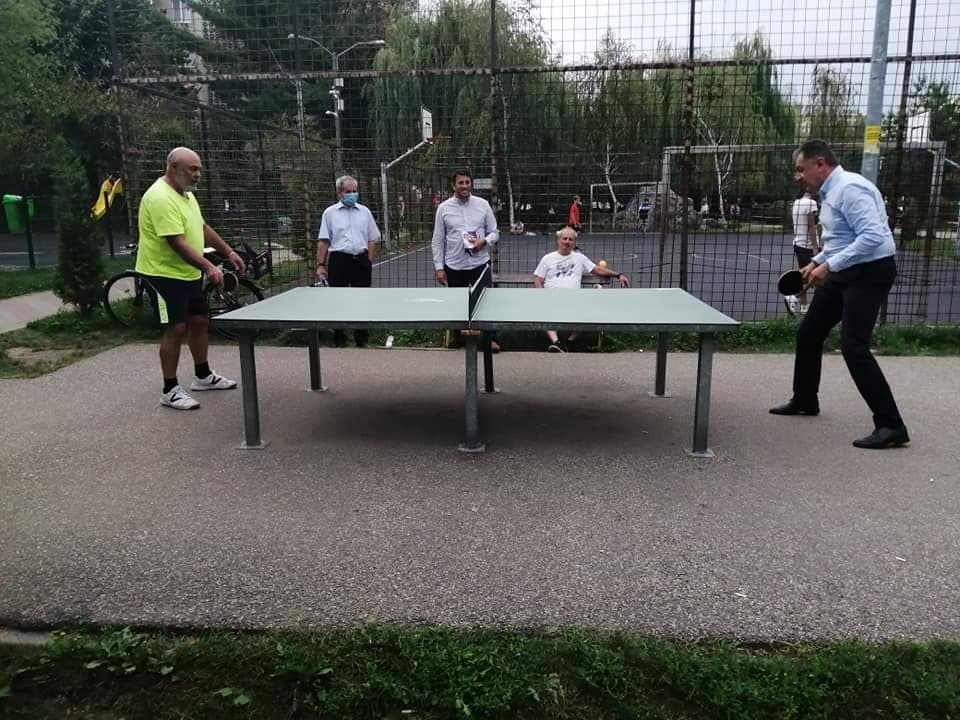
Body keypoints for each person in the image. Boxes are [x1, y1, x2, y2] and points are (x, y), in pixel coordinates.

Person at [769, 139, 909, 450]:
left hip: (870, 272)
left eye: (801, 169)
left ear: (820, 164)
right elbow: (841, 239)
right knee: (809, 333)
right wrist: (817, 261)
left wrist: (830, 265)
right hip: (846, 269)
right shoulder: (829, 192)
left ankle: (892, 425)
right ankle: (805, 399)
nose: (798, 176)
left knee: (853, 346)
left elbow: (873, 236)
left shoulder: (850, 189)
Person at [136, 146, 245, 410]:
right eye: (192, 169)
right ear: (173, 168)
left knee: (199, 320)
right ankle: (169, 390)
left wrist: (228, 251)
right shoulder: (160, 197)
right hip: (161, 274)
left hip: (187, 273)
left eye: (199, 170)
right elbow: (176, 242)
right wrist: (209, 267)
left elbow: (202, 228)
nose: (197, 175)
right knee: (176, 328)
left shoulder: (186, 195)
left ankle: (203, 376)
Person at [432, 168, 500, 353]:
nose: (464, 186)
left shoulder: (483, 205)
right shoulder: (444, 209)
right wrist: (439, 267)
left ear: (471, 184)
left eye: (467, 182)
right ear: (453, 185)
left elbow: (494, 232)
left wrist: (484, 241)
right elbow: (437, 240)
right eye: (460, 183)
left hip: (479, 263)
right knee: (458, 304)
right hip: (454, 265)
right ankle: (459, 339)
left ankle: (490, 340)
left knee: (486, 301)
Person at [533, 226, 630, 352]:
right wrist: (542, 297)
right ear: (558, 240)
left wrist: (618, 275)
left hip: (574, 299)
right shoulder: (547, 258)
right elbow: (538, 280)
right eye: (564, 239)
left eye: (570, 239)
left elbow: (597, 270)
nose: (567, 242)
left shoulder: (579, 258)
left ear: (574, 243)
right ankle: (556, 342)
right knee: (544, 311)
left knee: (591, 311)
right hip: (552, 298)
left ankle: (569, 343)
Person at [316, 175, 381, 348]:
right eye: (348, 191)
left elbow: (372, 238)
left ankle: (362, 337)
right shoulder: (330, 213)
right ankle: (340, 337)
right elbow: (324, 240)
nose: (352, 194)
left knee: (363, 299)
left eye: (355, 191)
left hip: (360, 259)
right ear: (340, 193)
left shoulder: (365, 212)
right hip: (339, 259)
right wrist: (321, 265)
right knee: (338, 300)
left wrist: (369, 260)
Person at [788, 189, 821, 313]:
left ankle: (803, 305)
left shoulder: (797, 202)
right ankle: (794, 297)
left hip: (798, 243)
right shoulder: (811, 203)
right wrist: (815, 247)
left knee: (804, 276)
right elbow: (811, 226)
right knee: (817, 277)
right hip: (808, 245)